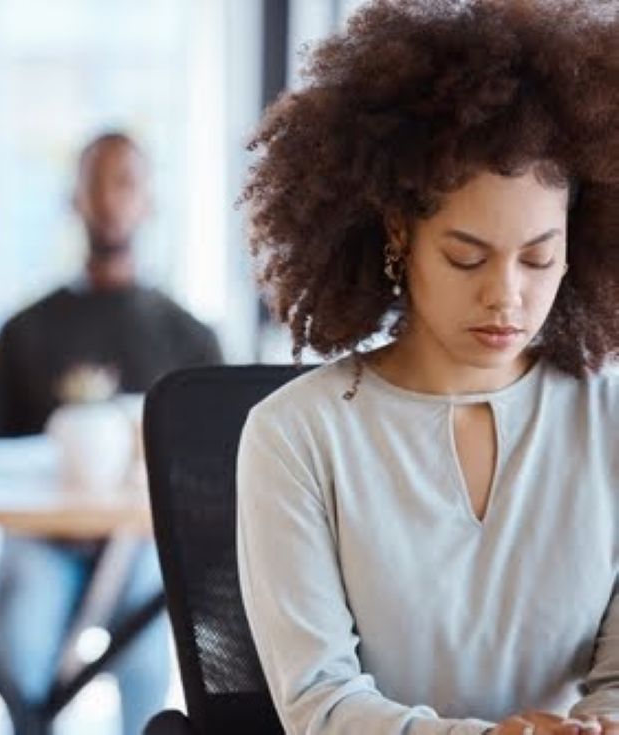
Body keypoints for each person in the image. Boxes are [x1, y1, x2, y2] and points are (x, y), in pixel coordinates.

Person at [236, 1, 619, 733]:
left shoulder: (611, 424)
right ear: (398, 236)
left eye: (539, 257)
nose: (506, 294)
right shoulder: (295, 437)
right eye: (465, 256)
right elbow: (321, 703)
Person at [0, 131, 222, 735]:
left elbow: (217, 467)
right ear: (74, 199)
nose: (110, 199)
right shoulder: (21, 331)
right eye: (95, 182)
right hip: (42, 540)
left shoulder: (190, 338)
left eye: (126, 182)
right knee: (23, 650)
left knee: (146, 651)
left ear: (149, 201)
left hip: (139, 542)